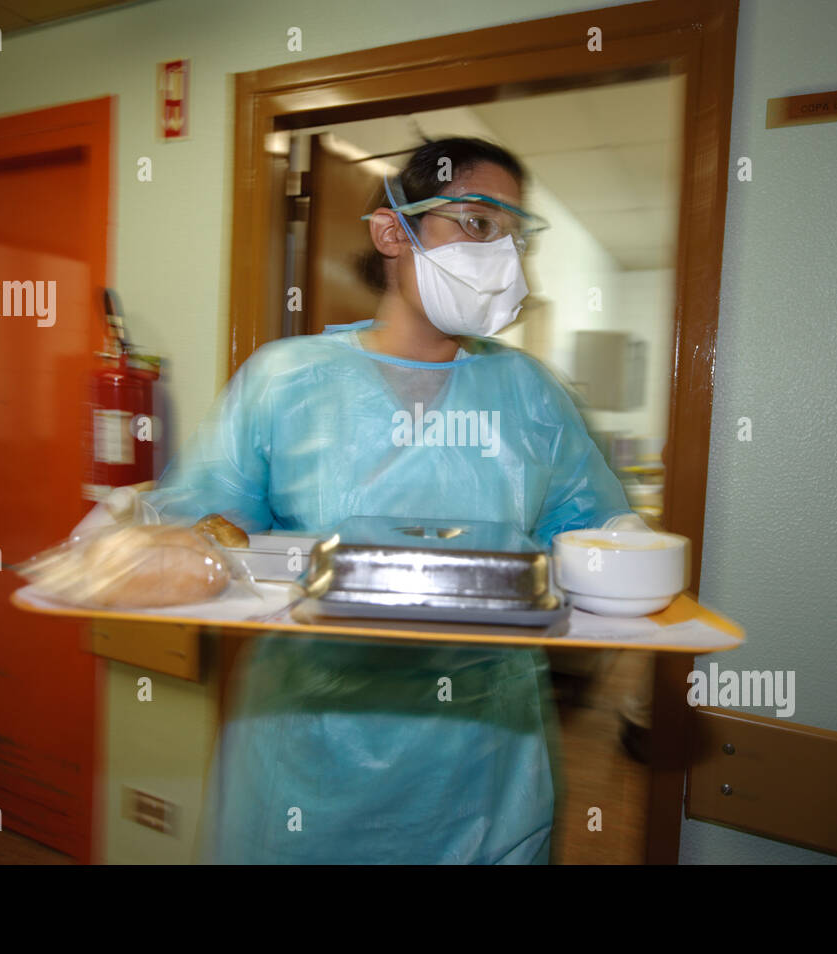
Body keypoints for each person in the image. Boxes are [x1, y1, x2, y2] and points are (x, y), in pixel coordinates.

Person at [141, 137, 644, 863]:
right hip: (309, 755)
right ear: (392, 233)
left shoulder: (531, 395)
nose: (502, 255)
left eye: (513, 234)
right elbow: (205, 531)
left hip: (481, 761)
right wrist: (131, 538)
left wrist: (636, 554)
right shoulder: (286, 380)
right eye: (477, 223)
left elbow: (597, 532)